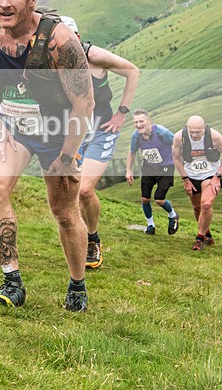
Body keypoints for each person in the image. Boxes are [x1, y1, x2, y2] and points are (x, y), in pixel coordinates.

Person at [0, 0, 95, 312]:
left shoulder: (59, 41)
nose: (4, 3)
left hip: (58, 131)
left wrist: (67, 157)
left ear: (31, 0)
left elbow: (84, 104)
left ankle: (77, 285)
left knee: (65, 211)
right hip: (13, 127)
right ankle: (12, 282)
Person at [61, 16, 139, 269]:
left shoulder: (95, 56)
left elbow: (132, 71)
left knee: (84, 190)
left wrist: (122, 113)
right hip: (71, 135)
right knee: (70, 194)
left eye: (71, 38)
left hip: (101, 132)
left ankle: (92, 239)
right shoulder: (51, 62)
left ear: (78, 37)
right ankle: (79, 239)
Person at [172, 116, 222, 251]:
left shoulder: (214, 136)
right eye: (191, 131)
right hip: (191, 175)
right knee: (196, 207)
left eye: (198, 132)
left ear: (204, 128)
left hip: (210, 175)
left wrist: (217, 177)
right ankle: (207, 234)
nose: (194, 135)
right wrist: (185, 180)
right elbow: (176, 159)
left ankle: (199, 239)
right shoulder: (179, 137)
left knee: (206, 204)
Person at [125, 109, 180, 236]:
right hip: (149, 168)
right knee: (145, 199)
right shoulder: (136, 136)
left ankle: (173, 215)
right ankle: (150, 225)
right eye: (136, 122)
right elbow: (132, 152)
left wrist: (177, 161)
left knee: (159, 200)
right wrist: (128, 170)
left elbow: (176, 144)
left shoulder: (162, 132)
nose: (138, 125)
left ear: (148, 121)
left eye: (141, 121)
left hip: (166, 169)